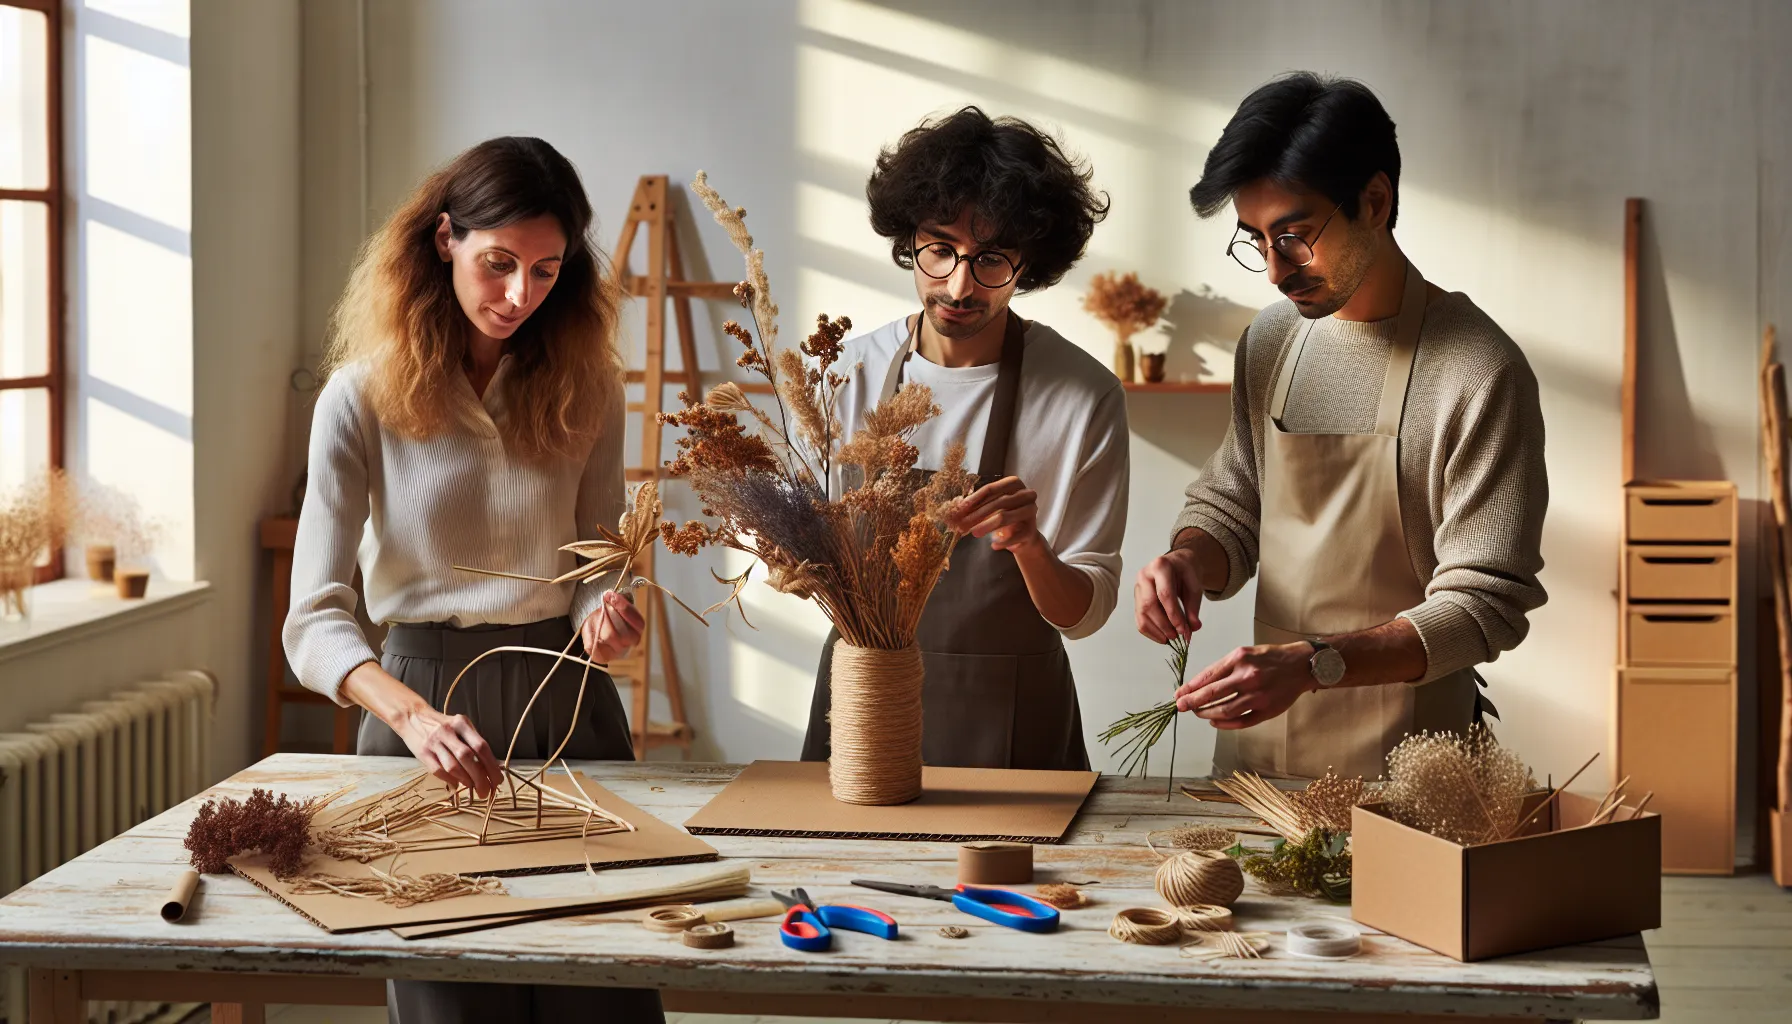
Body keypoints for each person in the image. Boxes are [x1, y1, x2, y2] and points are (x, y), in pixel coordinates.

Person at [284, 136, 661, 1023]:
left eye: (546, 270)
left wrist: (608, 609)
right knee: (453, 997)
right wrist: (409, 715)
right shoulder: (358, 396)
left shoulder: (589, 387)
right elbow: (312, 618)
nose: (520, 296)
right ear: (446, 239)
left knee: (601, 983)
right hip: (417, 704)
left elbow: (595, 563)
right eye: (498, 265)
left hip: (567, 700)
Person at [1134, 73, 1548, 781]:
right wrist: (1189, 559)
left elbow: (1487, 604)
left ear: (1375, 202)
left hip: (1416, 762)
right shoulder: (1270, 344)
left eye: (1293, 237)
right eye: (1255, 240)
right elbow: (1234, 503)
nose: (1273, 271)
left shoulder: (1477, 369)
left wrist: (1315, 664)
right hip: (1264, 751)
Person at [800, 106, 1128, 771]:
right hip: (865, 701)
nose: (958, 284)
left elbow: (1085, 612)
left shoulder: (1079, 395)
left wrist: (1030, 546)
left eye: (991, 260)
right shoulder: (845, 380)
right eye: (940, 249)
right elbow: (808, 563)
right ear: (908, 238)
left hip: (1013, 719)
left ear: (1028, 261)